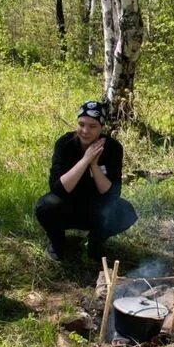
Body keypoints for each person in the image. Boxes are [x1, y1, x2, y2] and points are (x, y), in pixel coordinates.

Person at [34, 101, 137, 261]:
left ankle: (95, 242)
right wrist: (85, 160)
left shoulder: (113, 148)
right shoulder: (65, 144)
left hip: (97, 209)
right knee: (45, 205)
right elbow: (58, 188)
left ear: (102, 127)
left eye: (92, 126)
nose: (85, 131)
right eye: (81, 124)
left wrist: (94, 166)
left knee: (126, 211)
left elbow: (112, 194)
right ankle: (57, 242)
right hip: (66, 205)